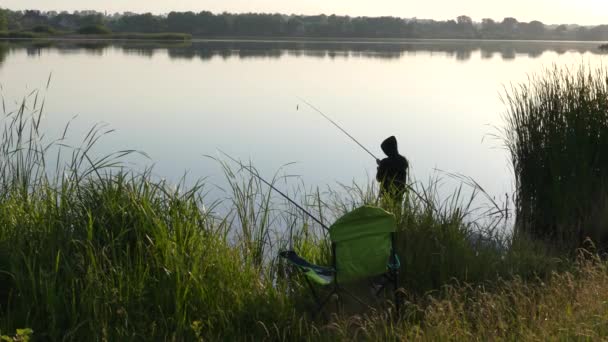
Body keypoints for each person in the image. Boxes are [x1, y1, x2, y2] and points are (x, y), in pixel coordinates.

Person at [376, 136, 409, 204]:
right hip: (399, 193)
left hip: (386, 194)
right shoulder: (403, 160)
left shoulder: (384, 162)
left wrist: (379, 167)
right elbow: (394, 167)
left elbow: (379, 178)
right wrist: (381, 165)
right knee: (397, 212)